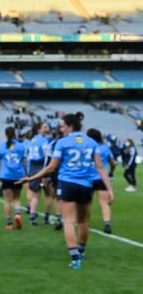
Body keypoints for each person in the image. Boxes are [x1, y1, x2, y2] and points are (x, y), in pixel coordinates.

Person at [19, 112, 113, 269]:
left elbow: (51, 167)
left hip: (67, 184)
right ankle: (81, 251)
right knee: (83, 221)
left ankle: (75, 258)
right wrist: (109, 188)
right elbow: (100, 167)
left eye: (63, 126)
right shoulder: (91, 142)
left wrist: (31, 177)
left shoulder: (62, 143)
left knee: (68, 221)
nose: (61, 128)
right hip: (85, 185)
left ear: (70, 126)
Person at [0, 126, 27, 230]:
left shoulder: (1, 147)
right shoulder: (21, 146)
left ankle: (9, 223)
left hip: (6, 175)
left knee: (7, 200)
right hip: (18, 175)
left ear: (5, 134)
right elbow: (24, 161)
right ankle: (17, 214)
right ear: (14, 134)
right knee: (17, 198)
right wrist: (26, 173)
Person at [86, 128, 116, 234]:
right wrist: (111, 171)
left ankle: (85, 223)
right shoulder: (105, 148)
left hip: (88, 178)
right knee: (104, 202)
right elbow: (112, 163)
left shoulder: (86, 147)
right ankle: (107, 223)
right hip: (101, 177)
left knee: (87, 203)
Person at [25, 122, 55, 226]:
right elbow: (46, 156)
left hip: (33, 167)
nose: (47, 128)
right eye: (45, 127)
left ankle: (33, 217)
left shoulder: (32, 140)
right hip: (42, 166)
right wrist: (46, 172)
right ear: (39, 129)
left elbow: (28, 156)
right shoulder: (44, 140)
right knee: (48, 194)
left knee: (36, 195)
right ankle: (46, 217)